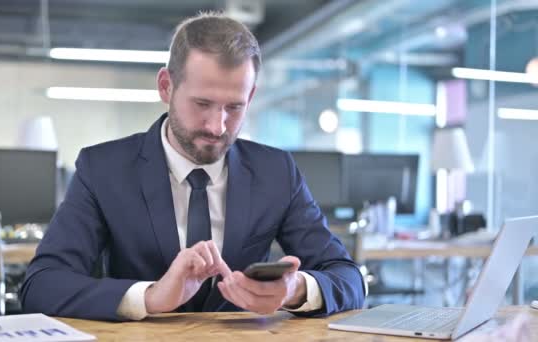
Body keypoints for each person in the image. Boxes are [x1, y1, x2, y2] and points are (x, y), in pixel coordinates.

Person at [20, 12, 365, 321]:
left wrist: (294, 291)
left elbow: (348, 277)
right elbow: (41, 284)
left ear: (251, 97)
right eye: (202, 103)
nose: (217, 127)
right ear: (166, 87)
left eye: (234, 107)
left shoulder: (276, 171)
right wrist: (150, 297)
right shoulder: (103, 169)